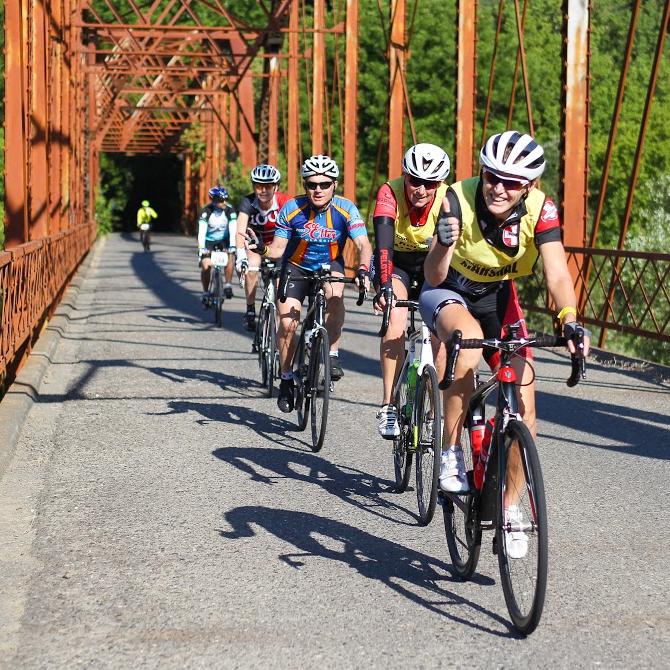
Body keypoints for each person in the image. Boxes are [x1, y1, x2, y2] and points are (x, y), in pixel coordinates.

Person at [420, 130, 590, 555]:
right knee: (469, 342)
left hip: (499, 295)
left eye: (512, 182)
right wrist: (443, 242)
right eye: (492, 176)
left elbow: (556, 273)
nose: (499, 188)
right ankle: (451, 453)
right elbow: (434, 276)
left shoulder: (541, 209)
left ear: (529, 186)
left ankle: (510, 505)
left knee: (525, 404)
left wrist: (570, 318)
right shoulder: (456, 198)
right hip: (450, 289)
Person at [246, 155, 373, 413]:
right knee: (287, 324)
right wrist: (261, 248)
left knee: (335, 295)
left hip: (330, 265)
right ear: (305, 185)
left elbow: (363, 244)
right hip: (295, 266)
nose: (318, 189)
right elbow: (279, 249)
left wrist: (363, 269)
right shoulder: (292, 208)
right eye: (312, 184)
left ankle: (333, 354)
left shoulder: (346, 209)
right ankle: (286, 378)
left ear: (334, 184)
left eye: (324, 184)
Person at [372, 143, 451, 439]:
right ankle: (388, 405)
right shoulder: (389, 192)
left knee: (441, 331)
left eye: (430, 183)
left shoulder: (447, 199)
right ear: (404, 176)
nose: (421, 189)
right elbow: (382, 245)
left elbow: (454, 253)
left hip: (431, 264)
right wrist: (383, 287)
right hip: (396, 263)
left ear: (439, 184)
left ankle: (433, 412)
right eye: (414, 180)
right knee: (395, 321)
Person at [234, 164, 291, 331]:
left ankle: (279, 332)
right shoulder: (248, 202)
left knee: (282, 288)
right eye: (259, 186)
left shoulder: (285, 202)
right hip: (256, 244)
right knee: (251, 268)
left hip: (278, 245)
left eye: (267, 186)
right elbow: (240, 230)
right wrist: (240, 256)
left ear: (276, 187)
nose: (263, 191)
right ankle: (250, 309)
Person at [198, 186, 237, 303]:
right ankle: (205, 292)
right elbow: (201, 232)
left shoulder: (230, 210)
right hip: (208, 241)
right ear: (214, 201)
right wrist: (202, 248)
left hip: (224, 240)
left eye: (225, 199)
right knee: (205, 266)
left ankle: (228, 285)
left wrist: (232, 246)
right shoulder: (206, 212)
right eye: (221, 200)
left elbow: (233, 229)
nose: (224, 202)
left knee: (230, 256)